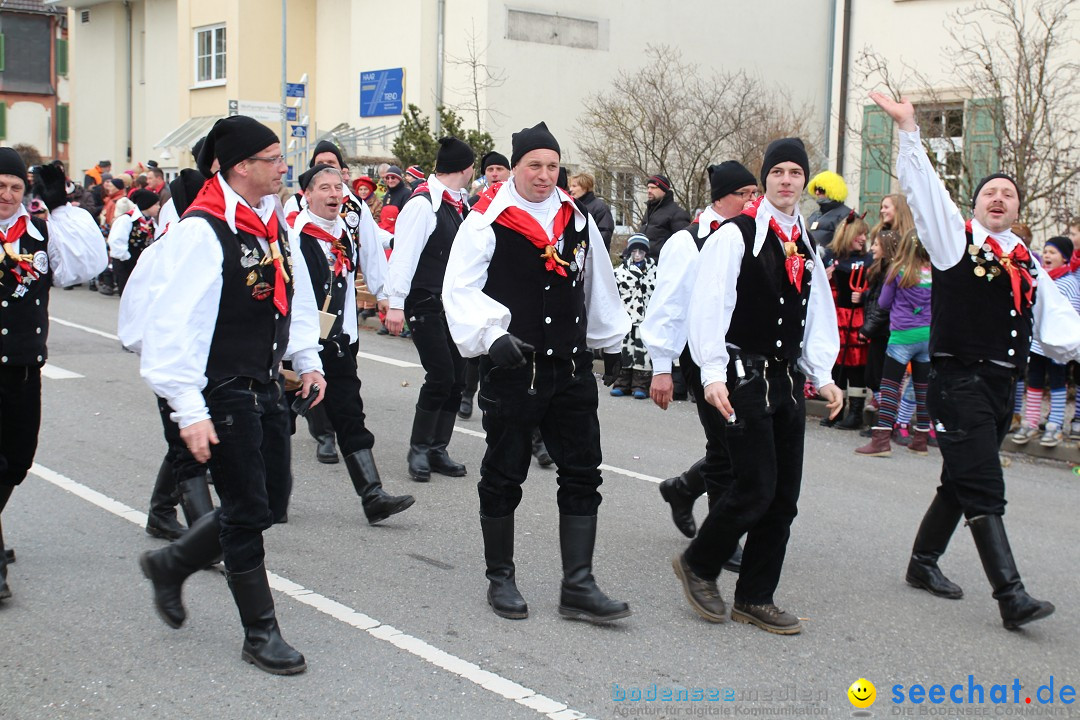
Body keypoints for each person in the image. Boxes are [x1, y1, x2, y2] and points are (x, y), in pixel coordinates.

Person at [871, 91, 1080, 630]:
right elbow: (927, 192)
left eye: (1008, 194)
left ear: (1017, 208)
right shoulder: (954, 242)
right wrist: (910, 132)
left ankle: (922, 562)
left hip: (999, 386)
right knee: (985, 484)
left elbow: (1060, 331)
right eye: (990, 191)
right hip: (957, 380)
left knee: (959, 480)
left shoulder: (1026, 261)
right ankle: (1011, 596)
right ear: (977, 203)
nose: (999, 198)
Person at [136, 115, 325, 673]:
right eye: (273, 158)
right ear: (242, 166)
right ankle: (260, 634)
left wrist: (306, 359)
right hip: (220, 386)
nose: (284, 166)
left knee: (264, 504)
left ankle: (171, 562)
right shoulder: (203, 230)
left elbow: (295, 293)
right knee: (245, 511)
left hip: (261, 380)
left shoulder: (270, 221)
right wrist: (188, 410)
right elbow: (173, 326)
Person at [443, 121, 631, 622]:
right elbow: (458, 288)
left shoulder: (576, 218)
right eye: (534, 166)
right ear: (517, 167)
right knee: (504, 473)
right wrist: (492, 335)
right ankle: (500, 577)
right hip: (515, 368)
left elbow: (598, 281)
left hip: (569, 368)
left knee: (582, 471)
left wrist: (611, 343)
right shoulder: (487, 220)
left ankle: (579, 584)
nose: (544, 176)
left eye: (551, 166)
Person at [672, 137, 842, 635]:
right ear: (765, 179)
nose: (787, 180)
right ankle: (700, 563)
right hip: (744, 373)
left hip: (784, 378)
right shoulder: (736, 234)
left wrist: (823, 374)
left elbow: (816, 312)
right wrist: (711, 372)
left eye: (795, 173)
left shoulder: (805, 241)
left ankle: (755, 597)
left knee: (784, 497)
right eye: (778, 172)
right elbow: (711, 303)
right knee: (756, 486)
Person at [0, 152, 108, 601]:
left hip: (24, 366)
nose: (7, 196)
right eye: (0, 186)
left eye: (15, 188)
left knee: (18, 460)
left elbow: (86, 265)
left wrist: (60, 206)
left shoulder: (40, 232)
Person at [290, 163, 415, 523]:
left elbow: (372, 260)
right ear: (307, 195)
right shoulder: (295, 237)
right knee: (276, 421)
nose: (334, 194)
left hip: (338, 343)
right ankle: (267, 495)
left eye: (337, 187)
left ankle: (372, 495)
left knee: (350, 415)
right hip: (297, 347)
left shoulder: (345, 231)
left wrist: (386, 297)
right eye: (325, 188)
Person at [642, 160, 757, 549]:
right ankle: (722, 541)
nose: (753, 200)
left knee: (741, 443)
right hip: (701, 354)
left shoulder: (753, 235)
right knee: (726, 446)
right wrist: (661, 367)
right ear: (724, 197)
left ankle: (685, 487)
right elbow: (668, 306)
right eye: (746, 194)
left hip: (744, 355)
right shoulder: (687, 242)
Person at [385, 138, 475, 482]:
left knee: (457, 378)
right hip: (424, 301)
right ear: (466, 169)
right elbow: (404, 255)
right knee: (440, 374)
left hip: (452, 305)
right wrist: (396, 304)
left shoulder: (457, 204)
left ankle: (438, 449)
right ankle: (419, 449)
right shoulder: (423, 204)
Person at [855, 229, 933, 457]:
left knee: (889, 387)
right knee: (922, 388)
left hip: (902, 335)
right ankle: (920, 439)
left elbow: (884, 302)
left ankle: (881, 440)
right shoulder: (934, 273)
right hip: (927, 336)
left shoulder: (897, 272)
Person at [1011, 236, 1080, 448]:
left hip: (1056, 344)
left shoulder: (1069, 282)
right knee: (1034, 381)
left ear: (1065, 258)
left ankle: (1055, 425)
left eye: (1053, 252)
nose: (1047, 256)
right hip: (1036, 343)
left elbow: (1072, 312)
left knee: (1058, 382)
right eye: (1046, 251)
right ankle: (1031, 421)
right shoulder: (1039, 277)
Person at [460, 151, 514, 420]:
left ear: (509, 172)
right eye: (490, 169)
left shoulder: (517, 203)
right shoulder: (474, 204)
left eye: (499, 169)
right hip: (481, 284)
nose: (495, 174)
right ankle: (468, 394)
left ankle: (537, 438)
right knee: (477, 350)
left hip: (510, 286)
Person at [821, 212, 874, 430]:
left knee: (856, 367)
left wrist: (865, 294)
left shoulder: (870, 259)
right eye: (859, 234)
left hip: (856, 316)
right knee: (836, 366)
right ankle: (836, 409)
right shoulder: (830, 256)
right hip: (835, 317)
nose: (863, 239)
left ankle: (855, 414)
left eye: (865, 235)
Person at [610, 233, 656, 399]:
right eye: (634, 251)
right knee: (624, 350)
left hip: (645, 319)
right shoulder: (620, 272)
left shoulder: (654, 272)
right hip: (626, 317)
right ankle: (621, 383)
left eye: (641, 252)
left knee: (642, 353)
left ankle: (641, 385)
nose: (637, 255)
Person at [107, 189, 160, 295]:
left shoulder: (151, 222)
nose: (159, 207)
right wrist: (127, 258)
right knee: (128, 295)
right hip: (126, 264)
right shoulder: (126, 220)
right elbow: (116, 241)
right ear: (147, 205)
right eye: (156, 204)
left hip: (142, 265)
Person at [639, 173, 691, 261]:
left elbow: (683, 246)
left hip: (662, 266)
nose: (649, 190)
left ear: (664, 190)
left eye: (653, 188)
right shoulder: (650, 210)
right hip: (644, 265)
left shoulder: (677, 213)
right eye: (648, 187)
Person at [568, 171, 615, 251]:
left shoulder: (600, 207)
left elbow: (604, 234)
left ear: (585, 187)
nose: (570, 189)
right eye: (570, 186)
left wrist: (586, 248)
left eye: (574, 186)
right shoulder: (571, 206)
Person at [806, 171, 852, 248]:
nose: (817, 192)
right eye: (815, 189)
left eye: (821, 189)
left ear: (833, 190)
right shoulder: (814, 215)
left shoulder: (847, 215)